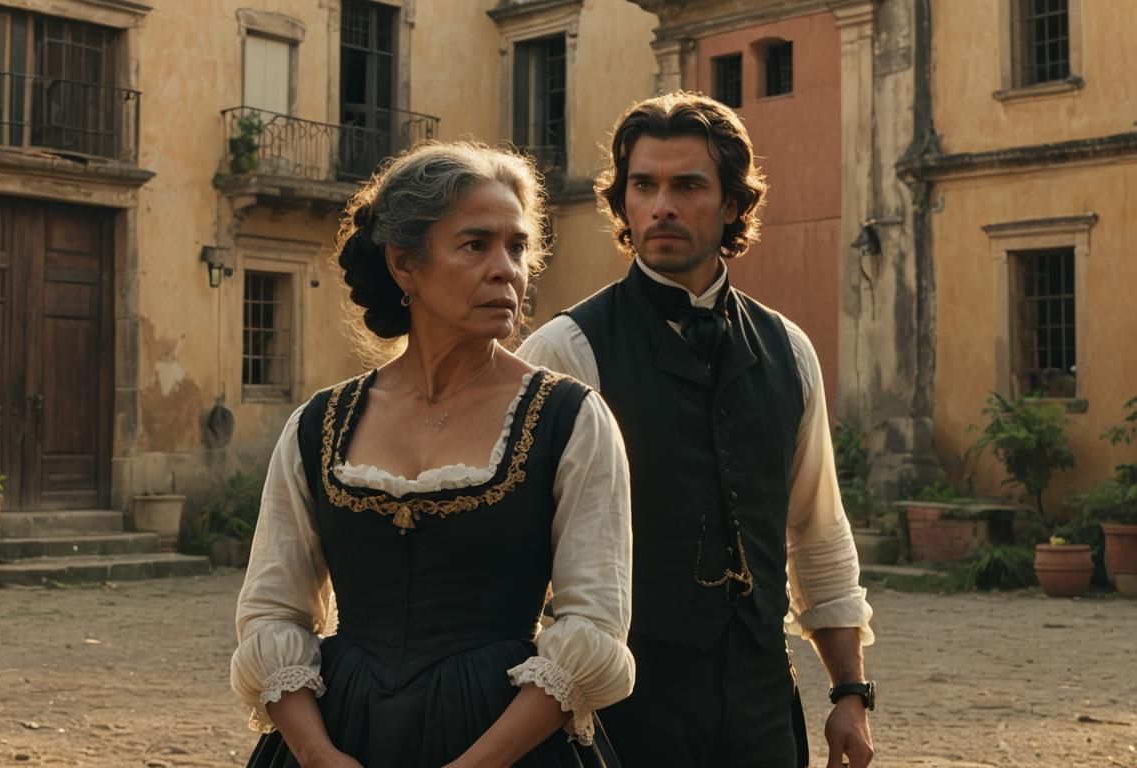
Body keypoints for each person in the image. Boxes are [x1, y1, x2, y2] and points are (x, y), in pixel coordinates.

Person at [231, 142, 635, 768]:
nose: (506, 270)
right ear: (404, 264)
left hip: (507, 743)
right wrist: (316, 754)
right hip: (340, 739)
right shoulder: (319, 424)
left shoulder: (570, 419)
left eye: (517, 246)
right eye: (476, 245)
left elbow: (594, 627)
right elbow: (271, 612)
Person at [517, 92, 876, 768]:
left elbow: (819, 530)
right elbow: (513, 559)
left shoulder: (789, 350)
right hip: (621, 706)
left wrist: (850, 690)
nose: (662, 207)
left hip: (763, 700)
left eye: (687, 185)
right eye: (643, 185)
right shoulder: (565, 352)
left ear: (735, 203)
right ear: (622, 202)